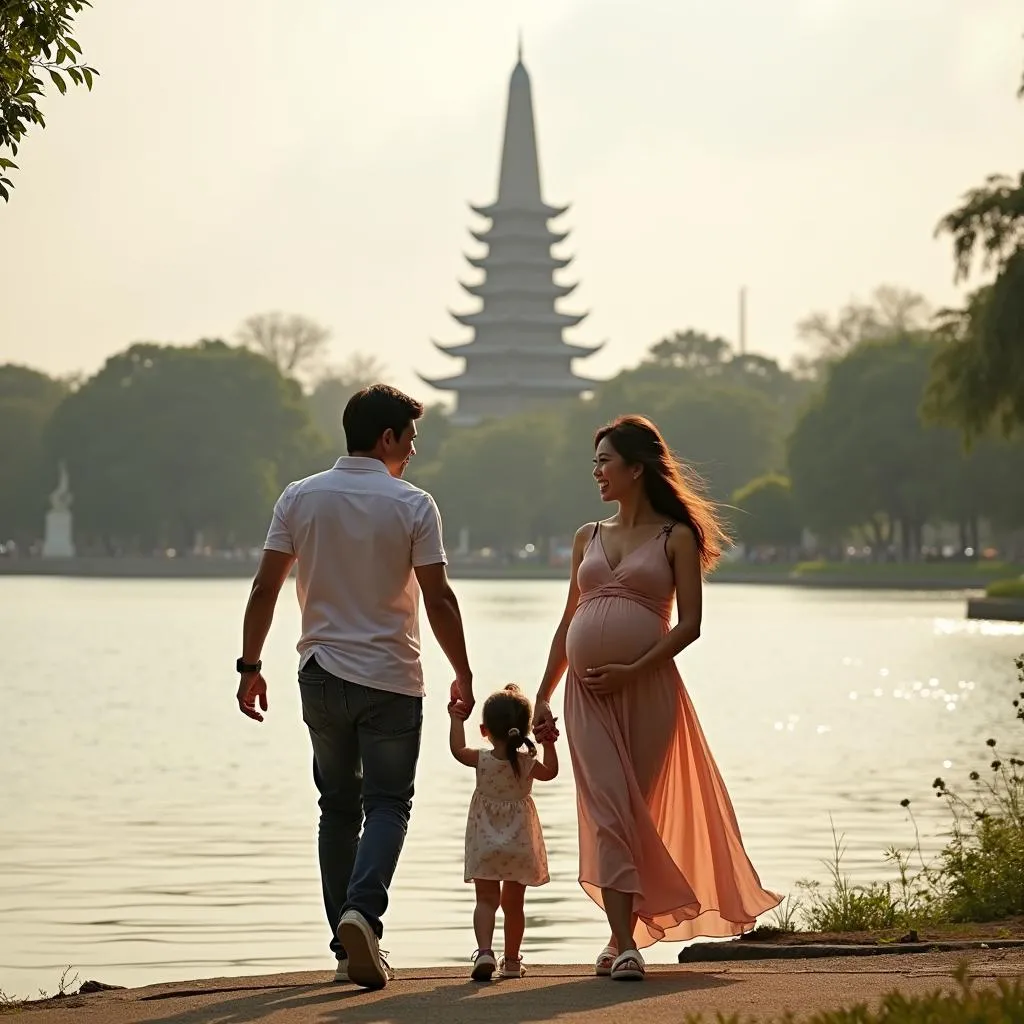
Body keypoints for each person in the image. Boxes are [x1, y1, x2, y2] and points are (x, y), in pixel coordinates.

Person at [235, 384, 474, 990]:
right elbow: (439, 596)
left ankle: (344, 950)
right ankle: (362, 914)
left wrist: (249, 665)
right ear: (387, 437)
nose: (414, 451)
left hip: (319, 673)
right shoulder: (414, 504)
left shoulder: (300, 496)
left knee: (336, 808)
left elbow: (265, 588)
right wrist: (463, 670)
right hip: (392, 677)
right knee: (388, 804)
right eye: (411, 438)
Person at [533, 414, 780, 982]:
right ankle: (625, 944)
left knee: (630, 810)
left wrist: (630, 670)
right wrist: (543, 694)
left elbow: (689, 625)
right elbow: (569, 618)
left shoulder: (677, 537)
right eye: (594, 462)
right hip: (585, 696)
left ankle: (619, 936)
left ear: (636, 469)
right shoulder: (586, 537)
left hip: (646, 691)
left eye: (605, 461)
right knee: (606, 812)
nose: (596, 471)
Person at [448, 684, 558, 982]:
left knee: (485, 901)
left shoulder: (481, 759)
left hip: (485, 843)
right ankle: (511, 962)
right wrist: (549, 742)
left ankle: (485, 952)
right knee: (514, 905)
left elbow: (457, 750)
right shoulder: (527, 763)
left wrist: (455, 718)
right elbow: (552, 772)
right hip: (519, 845)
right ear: (523, 730)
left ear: (485, 730)